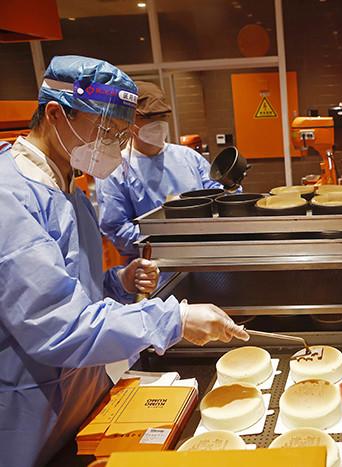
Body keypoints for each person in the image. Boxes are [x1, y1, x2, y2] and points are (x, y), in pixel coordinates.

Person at [0, 56, 249, 467]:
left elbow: (70, 287)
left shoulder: (68, 189)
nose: (115, 146)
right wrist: (173, 320)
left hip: (81, 397)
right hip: (29, 415)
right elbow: (57, 325)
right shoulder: (10, 198)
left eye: (120, 134)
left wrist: (117, 281)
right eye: (106, 132)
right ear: (56, 114)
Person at [96, 81, 223, 260]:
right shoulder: (115, 171)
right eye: (148, 118)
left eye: (162, 116)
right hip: (154, 267)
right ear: (128, 121)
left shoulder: (189, 158)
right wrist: (167, 241)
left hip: (203, 259)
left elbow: (218, 197)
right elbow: (116, 228)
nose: (157, 123)